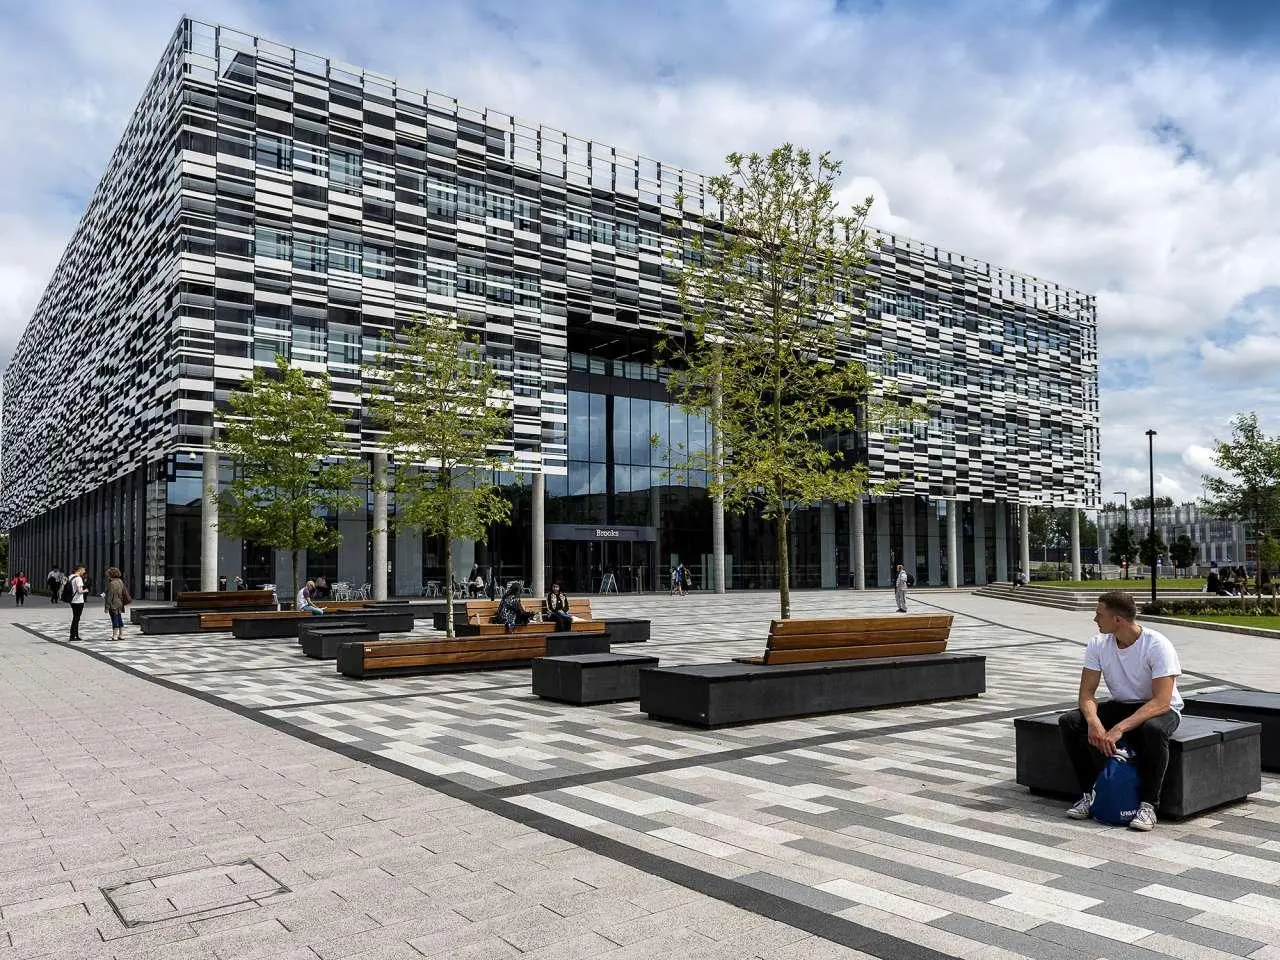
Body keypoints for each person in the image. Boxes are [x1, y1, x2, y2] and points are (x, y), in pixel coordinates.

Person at [1058, 590, 1182, 832]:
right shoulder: (1098, 643)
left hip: (1158, 707)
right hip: (1122, 704)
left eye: (1099, 614)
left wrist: (1118, 729)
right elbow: (1086, 694)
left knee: (1154, 730)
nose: (1095, 619)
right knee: (1069, 722)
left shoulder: (1157, 645)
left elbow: (1162, 701)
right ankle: (1089, 794)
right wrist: (1093, 721)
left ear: (1118, 620)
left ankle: (1148, 805)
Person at [103, 567, 130, 641]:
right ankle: (121, 634)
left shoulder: (112, 583)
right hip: (120, 603)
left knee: (114, 619)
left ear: (111, 575)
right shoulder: (120, 581)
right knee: (119, 618)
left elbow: (109, 596)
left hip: (113, 604)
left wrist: (106, 607)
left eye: (108, 574)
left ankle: (114, 635)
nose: (107, 576)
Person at [67, 564, 88, 642]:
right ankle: (73, 636)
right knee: (76, 619)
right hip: (78, 601)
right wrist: (85, 591)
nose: (84, 571)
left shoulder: (71, 576)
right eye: (84, 570)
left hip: (72, 600)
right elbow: (79, 591)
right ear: (80, 569)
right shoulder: (78, 578)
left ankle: (75, 635)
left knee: (75, 618)